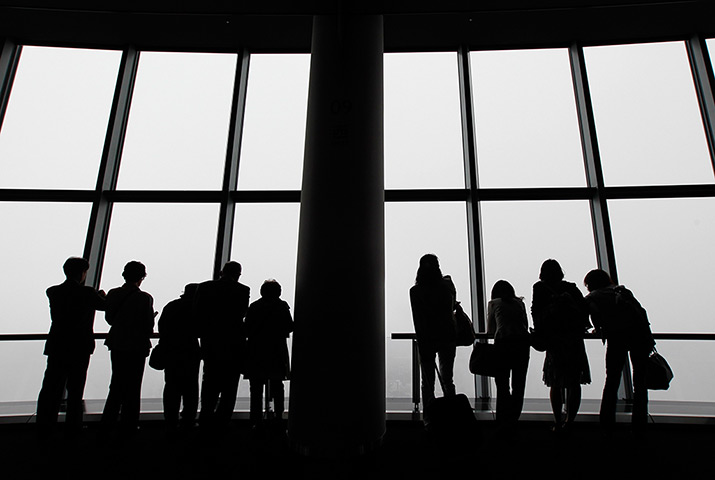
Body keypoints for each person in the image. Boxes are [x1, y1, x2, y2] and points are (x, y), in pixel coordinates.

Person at [37, 257, 106, 436]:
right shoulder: (88, 293)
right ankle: (73, 428)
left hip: (58, 344)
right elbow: (105, 306)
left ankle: (45, 425)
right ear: (82, 273)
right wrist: (102, 296)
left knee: (51, 388)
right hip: (79, 346)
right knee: (75, 390)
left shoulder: (53, 291)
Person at [584, 269, 655, 433]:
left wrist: (598, 328)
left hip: (617, 339)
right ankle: (639, 424)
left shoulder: (593, 297)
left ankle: (607, 423)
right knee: (640, 383)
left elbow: (591, 317)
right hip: (640, 338)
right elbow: (641, 313)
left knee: (612, 381)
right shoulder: (622, 291)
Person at [531, 259, 591, 432]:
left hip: (554, 340)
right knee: (574, 382)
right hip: (573, 340)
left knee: (555, 382)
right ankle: (570, 421)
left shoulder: (540, 288)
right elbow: (583, 309)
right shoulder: (571, 288)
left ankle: (557, 421)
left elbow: (536, 311)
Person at [101, 261, 155, 437]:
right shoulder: (145, 298)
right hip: (137, 346)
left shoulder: (114, 294)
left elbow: (110, 319)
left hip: (117, 343)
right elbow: (147, 327)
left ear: (124, 275)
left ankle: (107, 423)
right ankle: (129, 425)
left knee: (116, 384)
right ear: (142, 277)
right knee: (133, 386)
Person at [194, 261, 250, 431]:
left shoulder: (204, 288)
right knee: (230, 385)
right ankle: (222, 421)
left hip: (211, 341)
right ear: (238, 274)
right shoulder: (242, 290)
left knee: (210, 381)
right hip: (233, 343)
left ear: (221, 272)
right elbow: (241, 314)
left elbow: (198, 313)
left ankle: (206, 417)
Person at [409, 254, 457, 420]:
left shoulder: (415, 291)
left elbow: (418, 320)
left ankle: (429, 420)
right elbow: (452, 307)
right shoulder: (447, 286)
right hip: (447, 337)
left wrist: (423, 343)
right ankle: (452, 416)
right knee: (447, 380)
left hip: (427, 340)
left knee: (427, 383)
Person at [244, 279, 294, 429]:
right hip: (276, 350)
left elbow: (247, 328)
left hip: (257, 351)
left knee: (256, 388)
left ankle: (256, 419)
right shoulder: (281, 306)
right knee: (277, 386)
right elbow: (289, 326)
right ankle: (278, 416)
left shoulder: (254, 307)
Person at [157, 283, 201, 432]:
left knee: (171, 386)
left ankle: (170, 420)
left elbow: (162, 327)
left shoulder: (171, 306)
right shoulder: (196, 309)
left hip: (171, 351)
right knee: (190, 389)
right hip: (189, 352)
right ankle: (188, 420)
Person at [486, 280, 530, 428]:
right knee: (519, 385)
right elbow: (525, 324)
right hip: (522, 345)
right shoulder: (520, 303)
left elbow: (490, 330)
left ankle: (502, 421)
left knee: (502, 384)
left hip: (503, 344)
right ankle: (513, 419)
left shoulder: (494, 304)